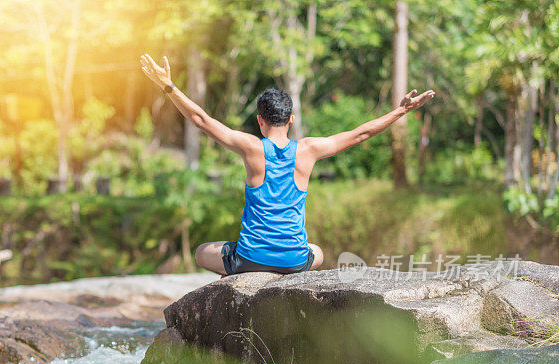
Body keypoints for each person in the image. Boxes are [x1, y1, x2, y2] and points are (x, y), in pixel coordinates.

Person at [139, 53, 435, 276]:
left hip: (250, 260)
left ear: (260, 120)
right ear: (290, 120)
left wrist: (168, 86)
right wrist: (399, 111)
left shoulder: (251, 147)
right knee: (317, 252)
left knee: (203, 252)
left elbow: (201, 120)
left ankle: (237, 283)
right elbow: (362, 133)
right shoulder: (309, 150)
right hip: (293, 261)